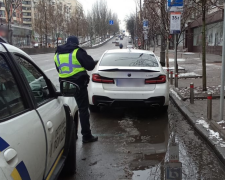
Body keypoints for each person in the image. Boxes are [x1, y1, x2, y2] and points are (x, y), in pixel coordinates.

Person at [54, 36, 98, 143]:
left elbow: (58, 69)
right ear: (76, 43)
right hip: (78, 85)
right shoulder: (77, 52)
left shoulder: (57, 54)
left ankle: (72, 134)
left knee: (68, 110)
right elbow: (90, 65)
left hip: (64, 86)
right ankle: (86, 136)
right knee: (83, 110)